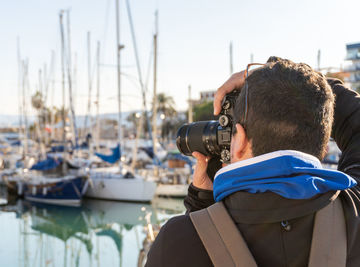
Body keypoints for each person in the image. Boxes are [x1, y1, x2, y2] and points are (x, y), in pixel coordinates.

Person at [145, 57, 360, 267]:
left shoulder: (176, 243)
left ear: (239, 141)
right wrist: (280, 77)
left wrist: (201, 204)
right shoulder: (353, 213)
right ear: (322, 144)